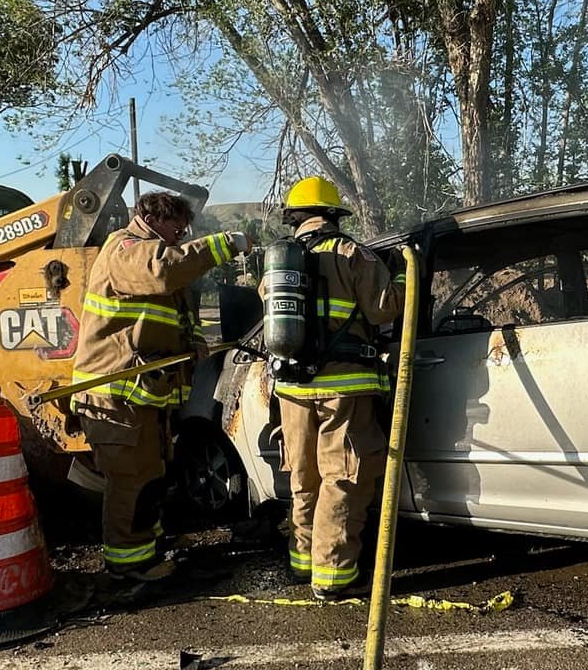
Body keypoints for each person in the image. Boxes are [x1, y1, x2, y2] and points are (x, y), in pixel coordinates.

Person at [72, 190, 247, 589]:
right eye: (176, 227)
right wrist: (223, 244)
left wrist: (194, 340)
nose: (180, 236)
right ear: (152, 218)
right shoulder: (127, 249)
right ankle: (126, 566)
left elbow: (175, 311)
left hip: (140, 399)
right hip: (114, 397)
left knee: (149, 476)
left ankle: (145, 550)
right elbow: (161, 272)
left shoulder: (154, 253)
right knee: (130, 480)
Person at [261, 176, 402, 599]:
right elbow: (383, 312)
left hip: (291, 387)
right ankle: (333, 575)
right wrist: (399, 278)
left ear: (295, 219)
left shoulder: (277, 265)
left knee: (303, 477)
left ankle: (302, 562)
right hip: (343, 387)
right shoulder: (351, 253)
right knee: (342, 477)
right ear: (334, 215)